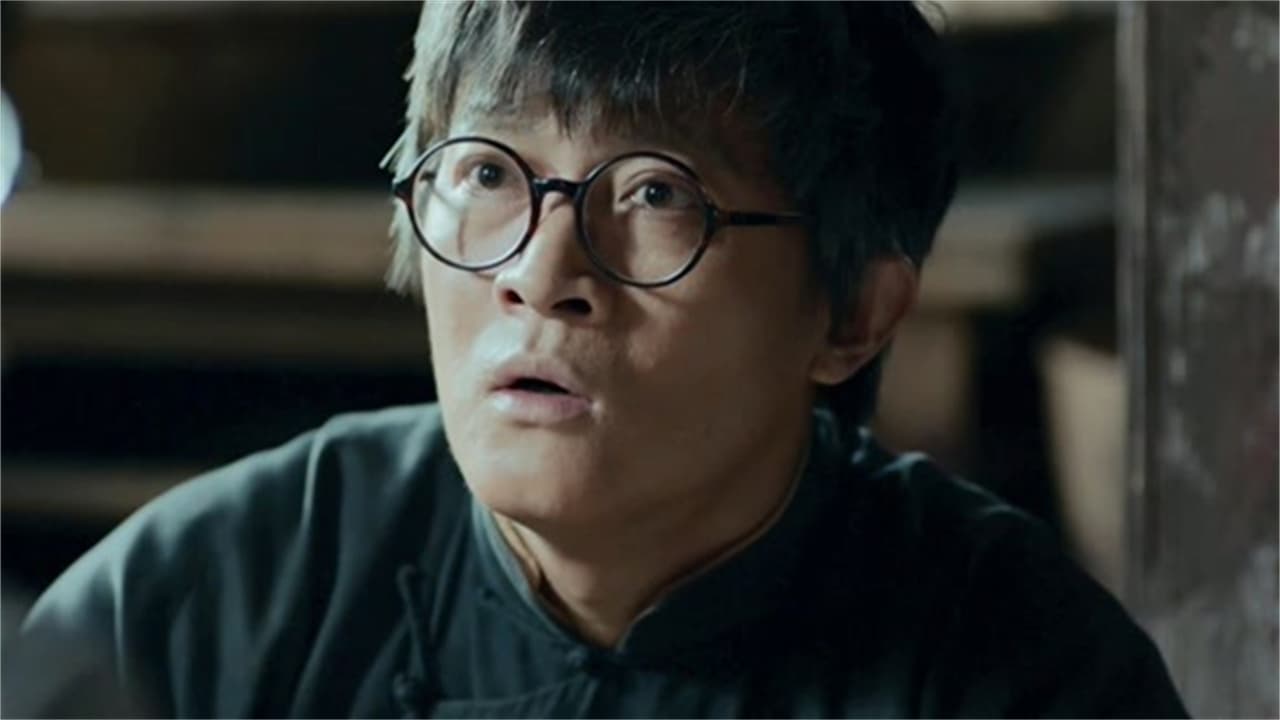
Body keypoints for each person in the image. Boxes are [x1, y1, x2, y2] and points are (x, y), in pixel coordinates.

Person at [22, 3, 1187, 717]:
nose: (540, 272)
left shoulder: (1021, 671)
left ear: (852, 314)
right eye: (487, 173)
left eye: (654, 195)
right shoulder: (198, 608)